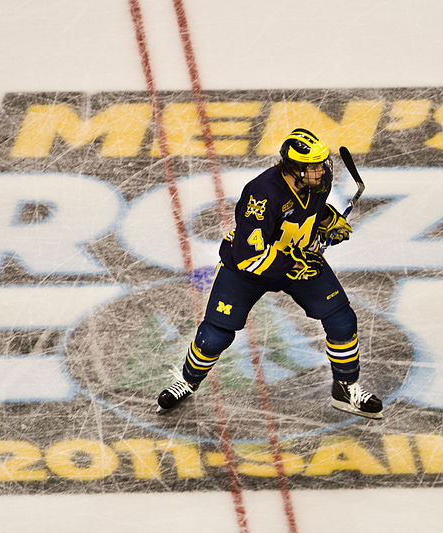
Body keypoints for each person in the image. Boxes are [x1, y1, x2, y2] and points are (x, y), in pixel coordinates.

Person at [157, 128, 382, 419]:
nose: (322, 170)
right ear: (294, 169)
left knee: (341, 319)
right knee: (215, 335)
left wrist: (329, 221)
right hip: (249, 268)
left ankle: (345, 387)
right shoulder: (261, 195)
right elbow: (248, 255)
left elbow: (311, 210)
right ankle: (187, 381)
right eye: (313, 166)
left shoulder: (319, 182)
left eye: (322, 163)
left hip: (298, 260)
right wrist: (292, 263)